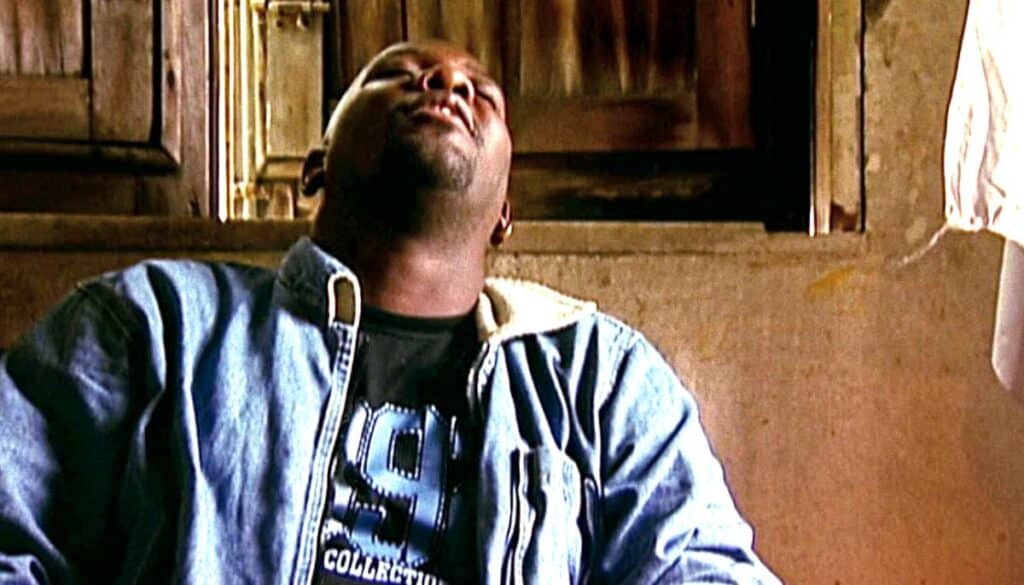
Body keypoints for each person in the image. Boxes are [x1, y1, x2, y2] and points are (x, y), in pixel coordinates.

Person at [0, 40, 781, 584]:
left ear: (505, 215)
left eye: (482, 91)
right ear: (315, 167)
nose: (447, 82)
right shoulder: (153, 324)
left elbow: (703, 570)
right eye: (400, 75)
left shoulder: (600, 378)